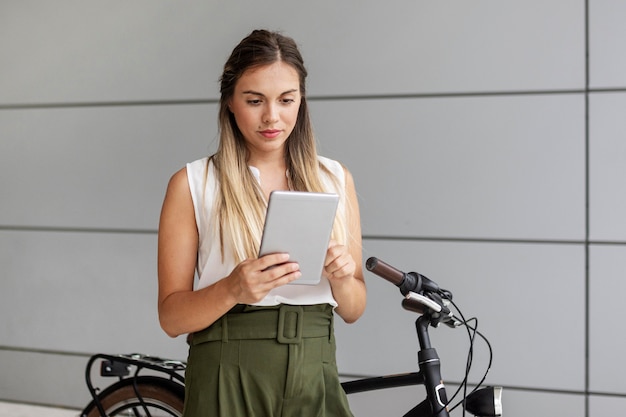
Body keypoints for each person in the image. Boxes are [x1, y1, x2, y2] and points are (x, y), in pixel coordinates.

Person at [157, 29, 366, 417]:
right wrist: (232, 289)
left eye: (286, 100)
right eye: (254, 101)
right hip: (225, 367)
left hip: (315, 366)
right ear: (230, 103)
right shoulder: (193, 184)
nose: (272, 116)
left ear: (301, 101)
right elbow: (171, 318)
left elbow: (353, 309)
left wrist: (341, 277)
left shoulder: (335, 178)